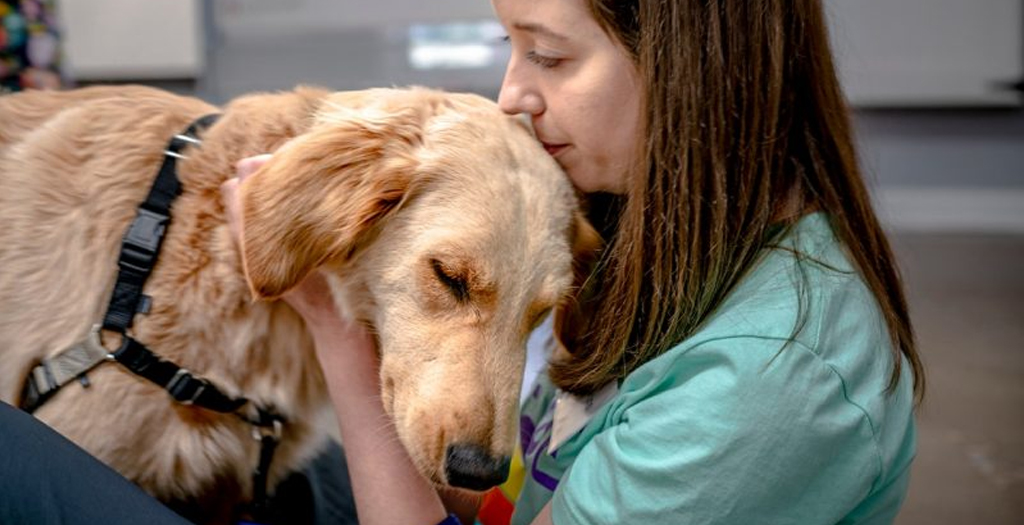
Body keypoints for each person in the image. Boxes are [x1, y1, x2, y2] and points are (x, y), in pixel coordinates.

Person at [223, 0, 924, 524]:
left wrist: (334, 329)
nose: (510, 97)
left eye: (549, 57)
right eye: (512, 46)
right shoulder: (653, 229)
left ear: (694, 67)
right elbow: (509, 491)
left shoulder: (763, 380)